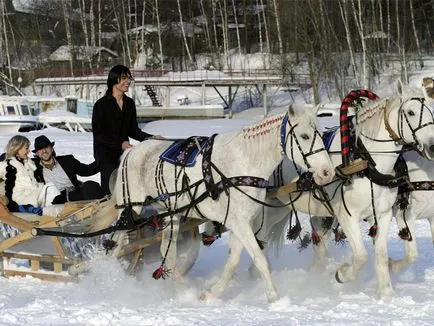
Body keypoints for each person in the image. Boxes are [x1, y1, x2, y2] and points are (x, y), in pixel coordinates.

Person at [92, 64, 156, 195]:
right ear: (114, 80)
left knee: (129, 190)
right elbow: (99, 135)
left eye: (129, 78)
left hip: (124, 153)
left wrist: (152, 138)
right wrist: (120, 143)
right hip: (106, 155)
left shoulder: (129, 103)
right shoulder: (101, 105)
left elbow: (133, 130)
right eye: (124, 78)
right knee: (110, 192)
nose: (128, 82)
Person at [32, 135, 104, 204]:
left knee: (91, 186)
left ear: (52, 148)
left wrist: (102, 160)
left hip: (74, 194)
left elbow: (86, 170)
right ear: (37, 153)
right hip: (54, 200)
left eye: (46, 147)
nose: (44, 151)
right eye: (40, 149)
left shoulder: (67, 161)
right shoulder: (33, 167)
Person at [0, 135, 60, 215]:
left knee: (51, 187)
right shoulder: (7, 164)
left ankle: (59, 214)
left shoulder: (29, 162)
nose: (29, 151)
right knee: (50, 190)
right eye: (26, 148)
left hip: (36, 195)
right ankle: (51, 216)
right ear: (18, 149)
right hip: (21, 200)